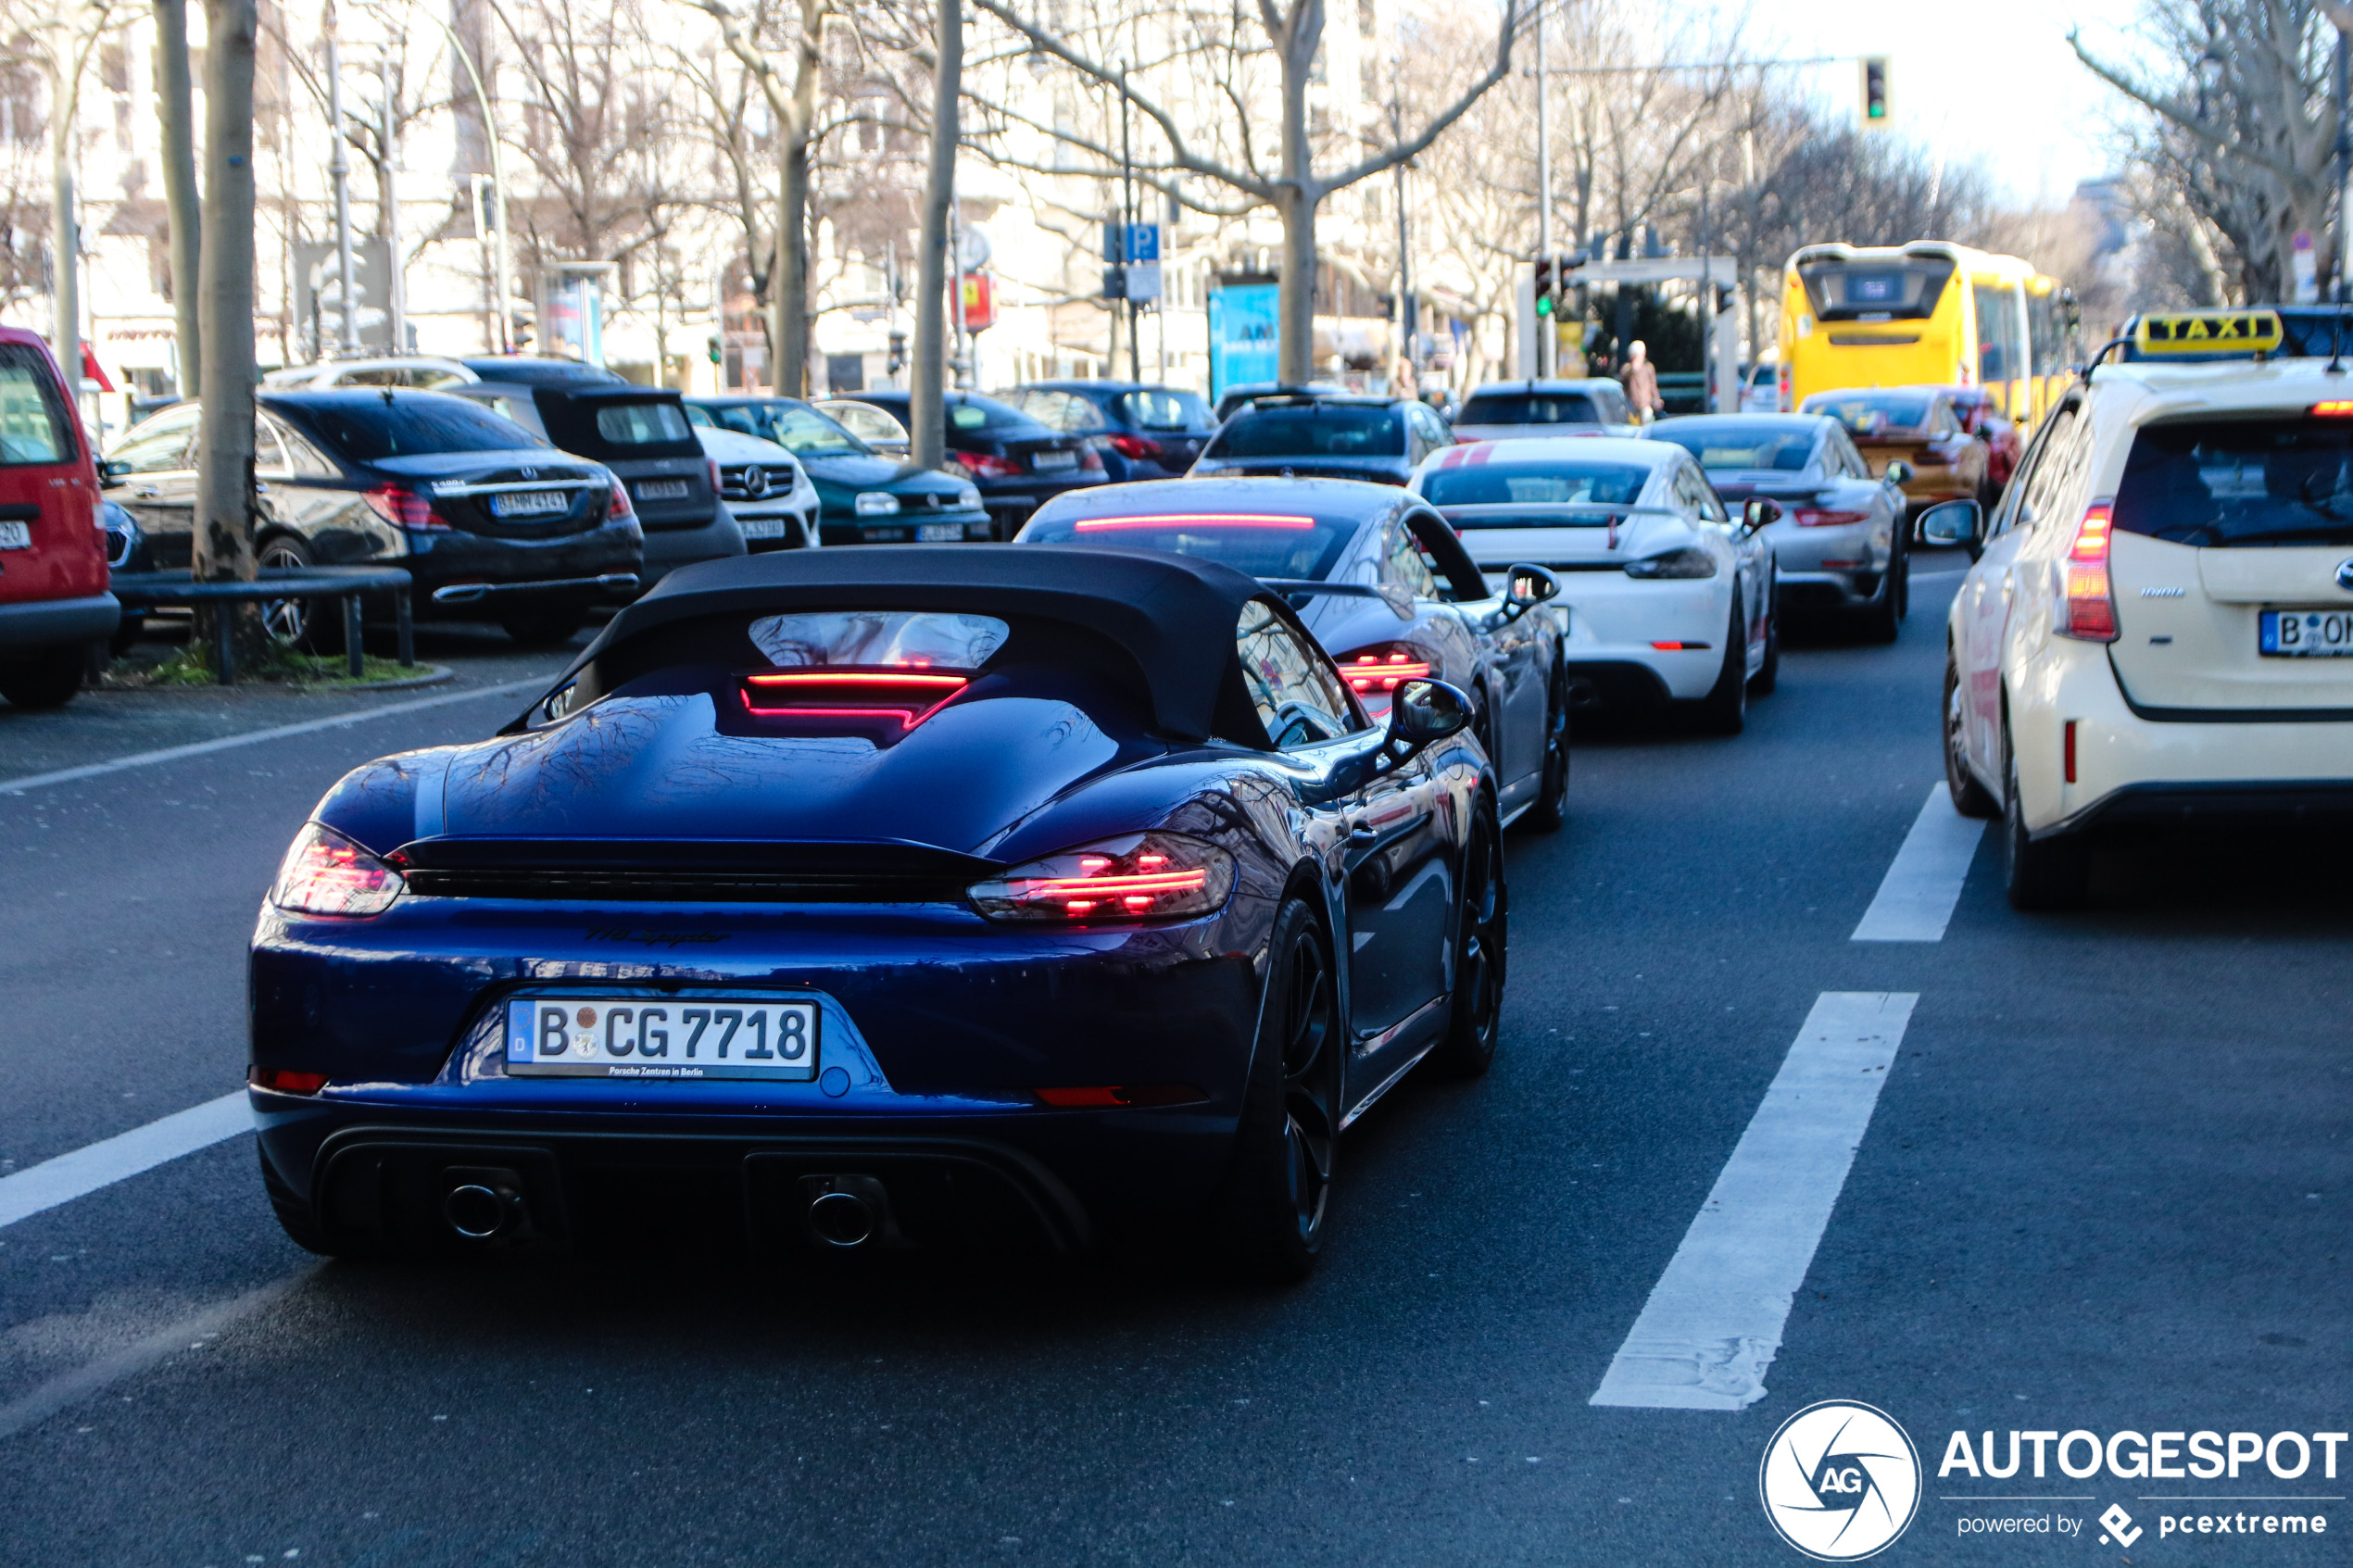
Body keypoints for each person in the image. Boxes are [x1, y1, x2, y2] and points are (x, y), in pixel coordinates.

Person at [1619, 339, 1662, 426]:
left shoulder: (1648, 367)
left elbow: (1653, 385)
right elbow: (1623, 381)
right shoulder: (1627, 369)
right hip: (1631, 407)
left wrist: (1656, 399)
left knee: (1647, 424)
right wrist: (1633, 368)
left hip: (1646, 405)